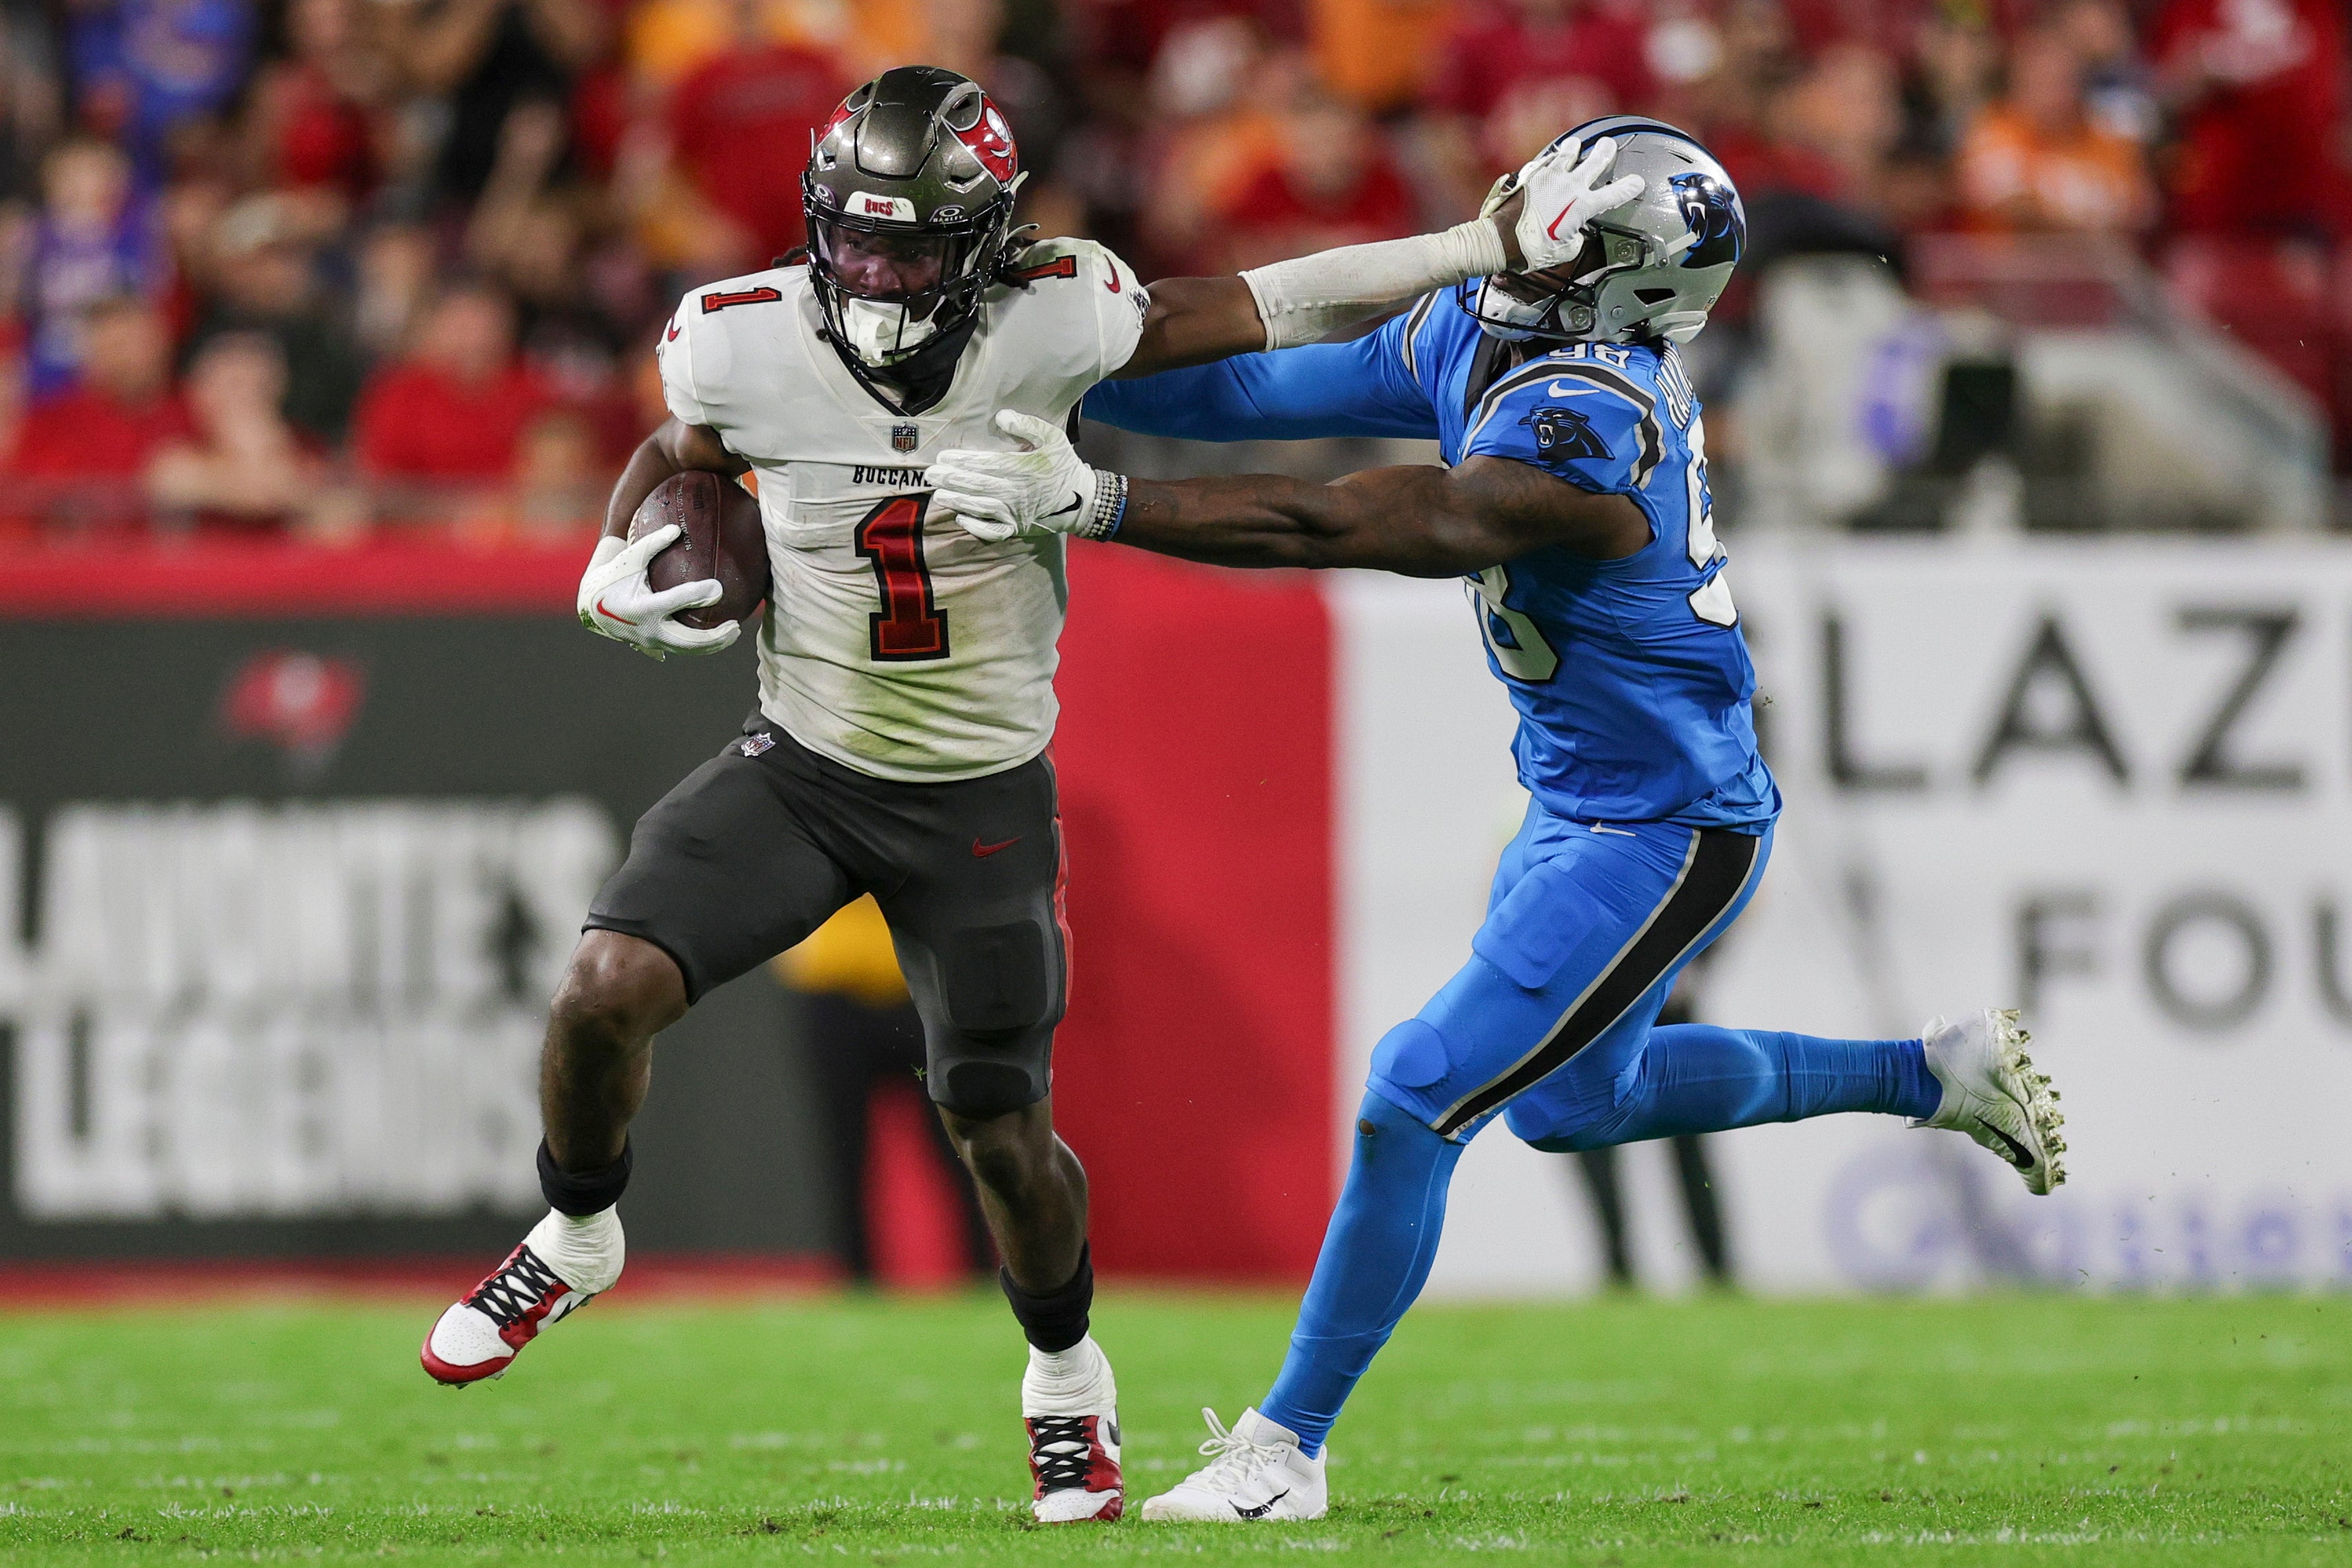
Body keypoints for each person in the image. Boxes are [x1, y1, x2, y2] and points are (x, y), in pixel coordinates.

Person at [416, 63, 1629, 1525]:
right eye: (855, 239)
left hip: (978, 789)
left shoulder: (1062, 310)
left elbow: (1268, 299)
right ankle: (577, 1225)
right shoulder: (734, 340)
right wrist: (618, 561)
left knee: (997, 1125)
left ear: (985, 242)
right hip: (804, 761)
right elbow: (681, 457)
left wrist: (1465, 254)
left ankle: (1068, 1384)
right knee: (606, 980)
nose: (875, 272)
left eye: (911, 245)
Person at [924, 115, 2072, 1523]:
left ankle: (1287, 1450)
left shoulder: (1601, 414)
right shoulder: (1493, 322)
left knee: (1415, 1093)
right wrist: (1054, 383)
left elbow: (1377, 524)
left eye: (1560, 244)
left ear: (1632, 290)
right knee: (1574, 1107)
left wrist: (1102, 499)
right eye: (1525, 212)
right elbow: (1262, 384)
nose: (1517, 253)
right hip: (1579, 798)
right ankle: (1931, 1075)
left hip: (1671, 822)